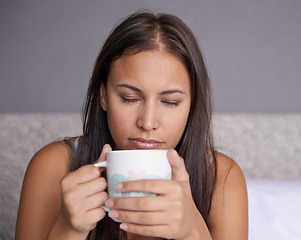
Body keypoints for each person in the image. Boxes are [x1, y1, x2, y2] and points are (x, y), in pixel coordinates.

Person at [15, 11, 248, 240]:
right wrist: (68, 228)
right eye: (129, 98)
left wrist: (193, 231)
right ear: (104, 95)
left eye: (170, 102)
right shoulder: (54, 166)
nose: (147, 123)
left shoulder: (220, 177)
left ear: (191, 105)